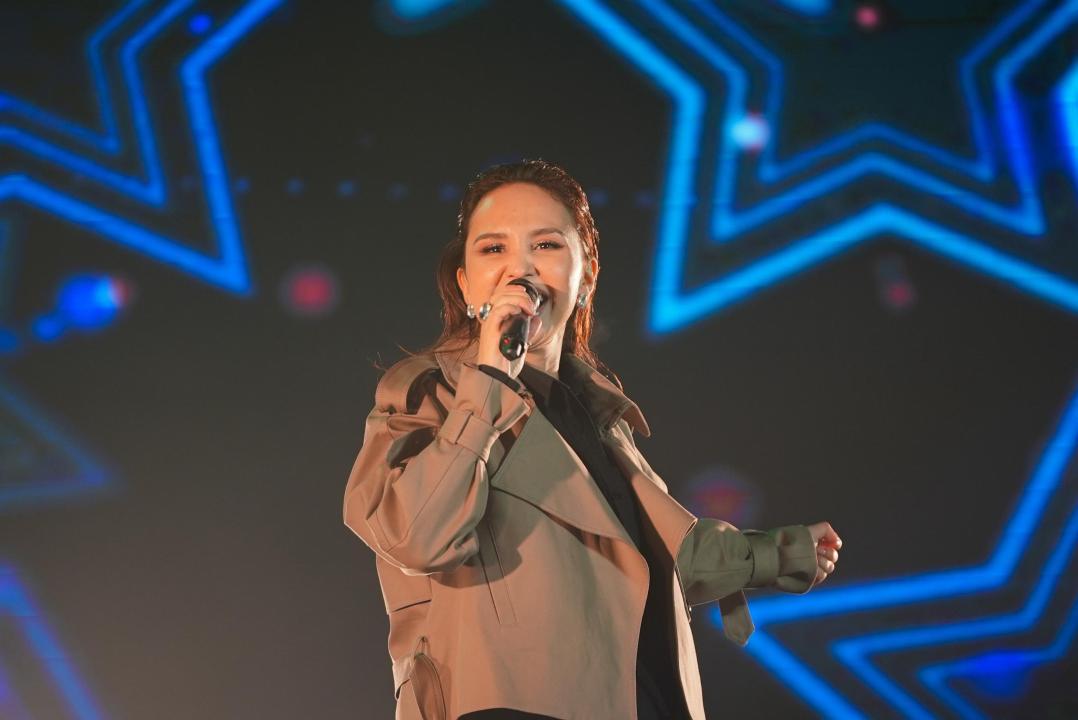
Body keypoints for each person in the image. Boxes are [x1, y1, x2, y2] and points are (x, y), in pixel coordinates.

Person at [343, 159, 843, 720]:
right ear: (465, 283)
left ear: (585, 275)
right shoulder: (426, 396)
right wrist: (487, 386)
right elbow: (416, 536)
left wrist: (780, 553)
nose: (519, 269)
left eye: (546, 245)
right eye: (493, 249)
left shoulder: (595, 413)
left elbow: (659, 554)